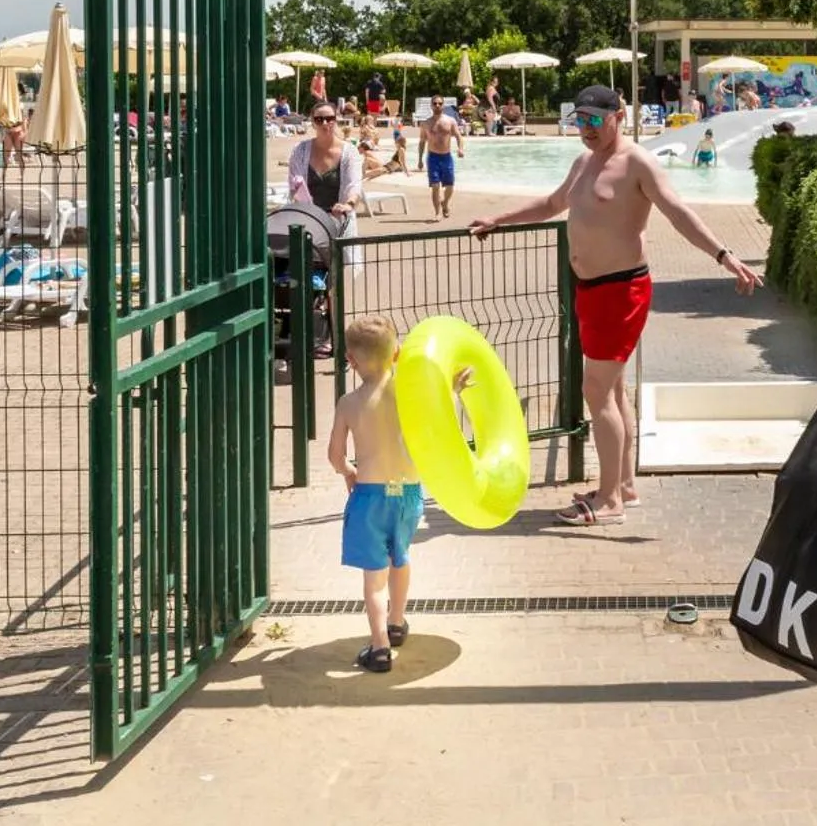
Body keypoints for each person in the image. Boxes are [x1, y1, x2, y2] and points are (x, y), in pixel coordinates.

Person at [468, 85, 762, 526]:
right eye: (580, 120)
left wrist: (725, 256)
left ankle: (608, 502)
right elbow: (552, 204)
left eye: (594, 120)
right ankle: (623, 486)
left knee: (596, 390)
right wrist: (498, 219)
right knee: (614, 389)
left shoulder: (636, 162)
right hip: (591, 289)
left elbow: (678, 213)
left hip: (621, 291)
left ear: (618, 117)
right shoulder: (583, 162)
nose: (586, 129)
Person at [326, 315, 472, 674]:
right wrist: (453, 390)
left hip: (369, 497)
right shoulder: (410, 396)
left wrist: (348, 471)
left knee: (374, 577)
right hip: (407, 495)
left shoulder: (348, 403)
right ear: (396, 354)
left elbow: (335, 455)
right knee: (400, 558)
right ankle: (396, 622)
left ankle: (379, 648)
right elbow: (439, 422)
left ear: (351, 361)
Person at [287, 103, 363, 230]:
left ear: (336, 120)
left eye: (330, 119)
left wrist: (348, 205)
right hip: (308, 223)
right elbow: (294, 185)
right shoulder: (299, 150)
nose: (325, 123)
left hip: (340, 223)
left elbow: (354, 185)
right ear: (313, 122)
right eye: (319, 119)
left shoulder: (350, 152)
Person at [419, 94, 465, 220]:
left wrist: (460, 149)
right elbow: (422, 142)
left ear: (443, 105)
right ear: (431, 106)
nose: (437, 105)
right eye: (435, 103)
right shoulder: (426, 123)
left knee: (450, 186)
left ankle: (445, 203)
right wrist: (420, 160)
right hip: (432, 158)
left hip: (446, 157)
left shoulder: (450, 121)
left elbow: (459, 136)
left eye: (440, 103)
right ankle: (437, 213)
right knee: (435, 186)